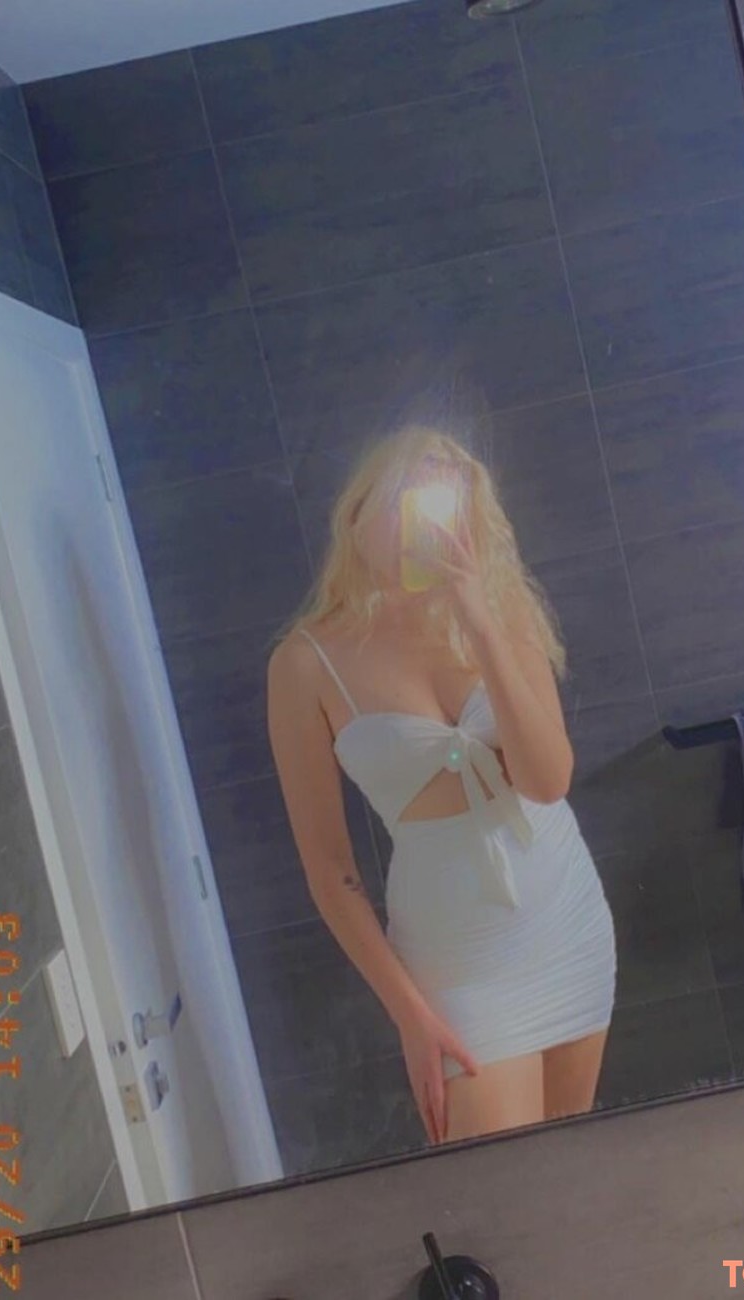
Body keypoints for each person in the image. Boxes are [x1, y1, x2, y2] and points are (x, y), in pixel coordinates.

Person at [266, 424, 616, 1146]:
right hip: (457, 964)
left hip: (565, 919)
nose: (415, 527)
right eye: (404, 497)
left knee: (573, 1168)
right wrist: (411, 1016)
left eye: (439, 503)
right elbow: (331, 873)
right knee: (497, 1193)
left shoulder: (501, 610)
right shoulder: (304, 664)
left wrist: (478, 621)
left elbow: (548, 781)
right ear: (357, 513)